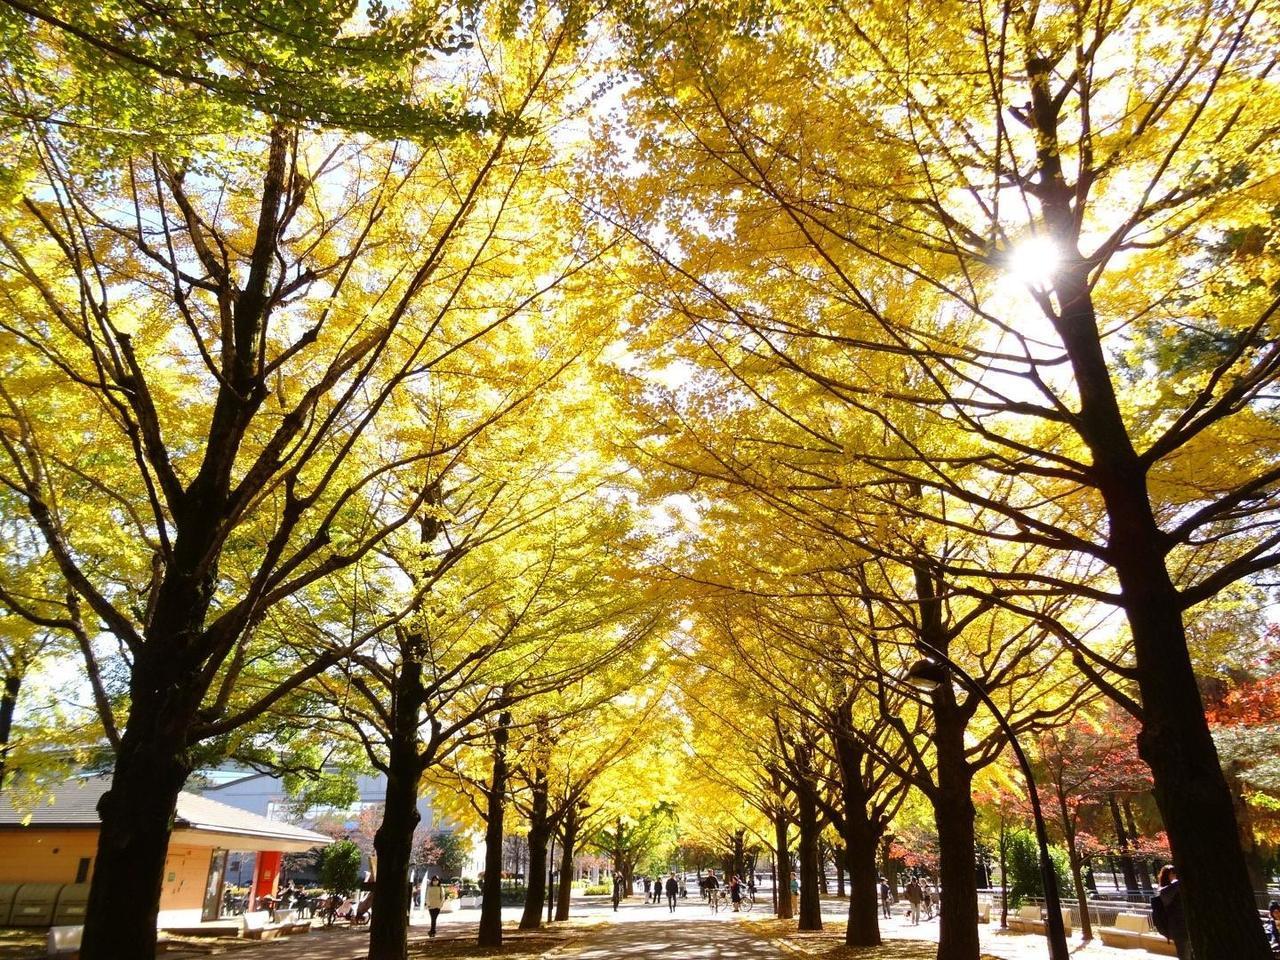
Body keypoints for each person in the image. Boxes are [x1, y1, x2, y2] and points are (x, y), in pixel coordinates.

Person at [1151, 864, 1190, 959]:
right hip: (1179, 928)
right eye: (1173, 873)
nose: (1176, 875)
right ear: (1168, 875)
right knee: (1184, 954)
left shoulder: (1170, 890)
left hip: (1180, 927)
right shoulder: (1167, 891)